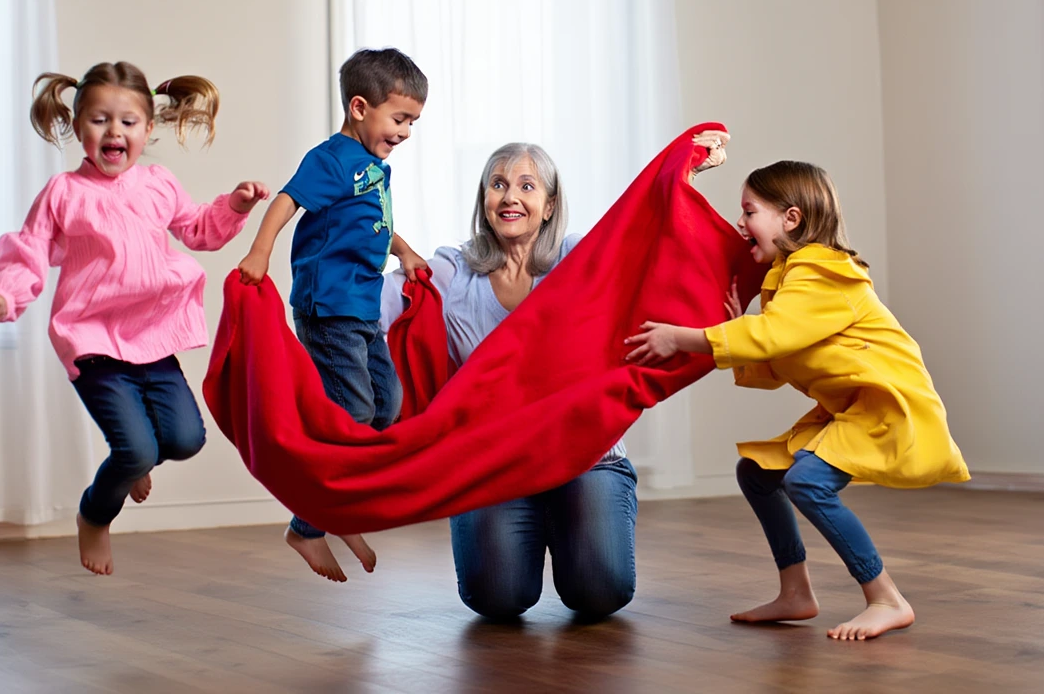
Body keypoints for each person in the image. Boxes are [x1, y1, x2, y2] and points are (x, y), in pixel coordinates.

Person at [379, 134, 725, 620]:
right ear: (484, 200)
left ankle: (570, 515)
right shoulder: (452, 271)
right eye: (498, 185)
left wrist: (681, 178)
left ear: (549, 204)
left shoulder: (577, 259)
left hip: (587, 455)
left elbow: (649, 245)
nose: (510, 197)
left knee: (600, 593)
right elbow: (372, 310)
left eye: (526, 185)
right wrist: (355, 242)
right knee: (495, 599)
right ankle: (529, 519)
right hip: (492, 463)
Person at [625, 157, 970, 640]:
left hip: (883, 405)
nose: (740, 224)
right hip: (848, 408)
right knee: (758, 474)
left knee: (808, 481)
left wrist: (684, 338)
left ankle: (887, 598)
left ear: (791, 219)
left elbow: (774, 336)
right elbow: (778, 358)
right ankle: (796, 592)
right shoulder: (788, 279)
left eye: (749, 212)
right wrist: (738, 325)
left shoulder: (821, 271)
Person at [0, 61, 269, 576]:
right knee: (134, 448)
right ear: (77, 125)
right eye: (99, 120)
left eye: (128, 122)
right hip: (92, 340)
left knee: (184, 440)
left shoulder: (158, 184)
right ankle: (95, 513)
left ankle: (136, 462)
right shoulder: (64, 193)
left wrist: (235, 206)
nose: (114, 132)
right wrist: (3, 297)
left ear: (148, 129)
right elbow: (29, 250)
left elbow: (198, 228)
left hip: (152, 337)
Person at [236, 48, 429, 582]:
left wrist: (405, 251)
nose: (407, 132)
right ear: (360, 107)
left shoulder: (374, 166)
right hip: (329, 307)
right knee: (353, 414)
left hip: (364, 306)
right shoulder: (330, 159)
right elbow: (285, 202)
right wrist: (261, 252)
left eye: (413, 121)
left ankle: (337, 509)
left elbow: (373, 223)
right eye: (400, 119)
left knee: (386, 407)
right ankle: (310, 523)